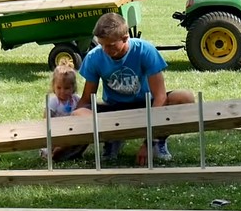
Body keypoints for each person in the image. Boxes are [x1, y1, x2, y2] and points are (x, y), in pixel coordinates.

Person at [73, 12, 194, 166]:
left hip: (145, 105)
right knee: (79, 113)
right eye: (101, 44)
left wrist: (147, 143)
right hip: (114, 109)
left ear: (125, 38)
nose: (105, 50)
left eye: (110, 45)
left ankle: (158, 142)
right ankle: (112, 138)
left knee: (184, 98)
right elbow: (85, 100)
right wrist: (67, 138)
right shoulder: (93, 57)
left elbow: (160, 97)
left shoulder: (145, 50)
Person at [40, 64, 84, 161]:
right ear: (54, 86)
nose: (62, 91)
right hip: (56, 132)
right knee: (56, 144)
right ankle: (51, 152)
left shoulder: (75, 99)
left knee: (77, 141)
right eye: (59, 88)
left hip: (71, 131)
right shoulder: (54, 101)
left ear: (73, 87)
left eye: (67, 88)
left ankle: (67, 152)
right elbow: (46, 118)